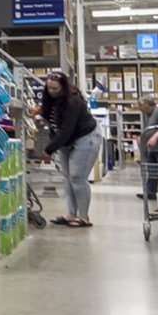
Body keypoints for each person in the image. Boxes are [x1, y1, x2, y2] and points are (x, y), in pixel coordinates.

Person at [40, 71, 101, 227]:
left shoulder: (73, 101)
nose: (52, 91)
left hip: (85, 137)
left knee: (77, 177)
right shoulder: (49, 98)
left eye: (55, 89)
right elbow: (54, 124)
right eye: (49, 88)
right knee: (68, 178)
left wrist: (49, 149)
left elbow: (66, 129)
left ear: (63, 87)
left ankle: (84, 217)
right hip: (66, 141)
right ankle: (71, 214)